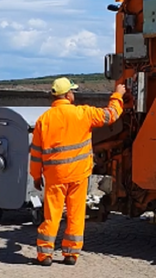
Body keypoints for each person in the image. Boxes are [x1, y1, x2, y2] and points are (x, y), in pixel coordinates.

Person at [30, 77, 126, 266]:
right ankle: (71, 254)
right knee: (75, 214)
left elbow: (36, 153)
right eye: (72, 91)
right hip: (78, 175)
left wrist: (35, 175)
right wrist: (118, 95)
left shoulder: (44, 120)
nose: (74, 93)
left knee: (52, 215)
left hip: (55, 176)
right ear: (68, 95)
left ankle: (45, 254)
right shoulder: (83, 113)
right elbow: (111, 115)